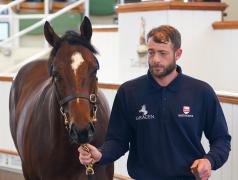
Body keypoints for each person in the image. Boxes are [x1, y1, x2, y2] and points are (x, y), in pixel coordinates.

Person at [78, 25, 231, 180]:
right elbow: (118, 140)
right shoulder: (128, 91)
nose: (155, 59)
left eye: (162, 53)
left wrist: (209, 161)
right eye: (151, 52)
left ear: (178, 54)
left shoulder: (201, 92)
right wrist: (100, 154)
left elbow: (221, 139)